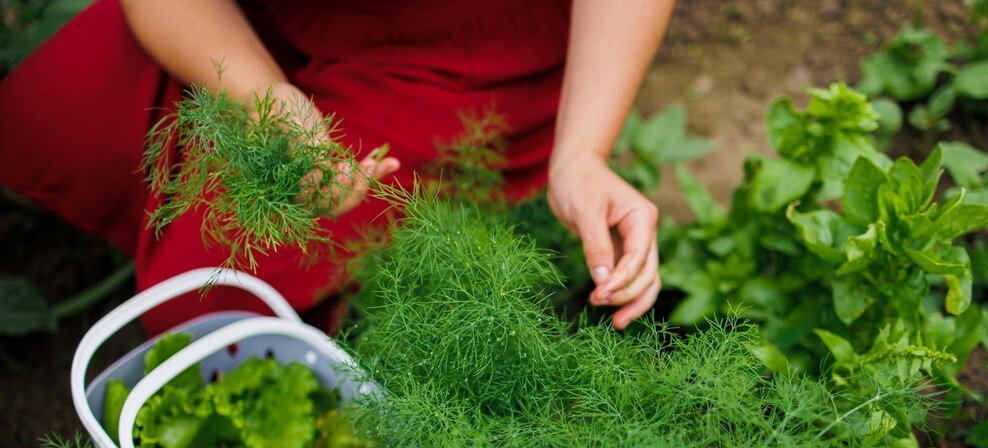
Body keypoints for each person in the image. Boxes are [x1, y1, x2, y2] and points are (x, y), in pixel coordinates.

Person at [0, 0, 674, 333]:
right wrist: (272, 104)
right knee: (45, 115)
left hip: (459, 48)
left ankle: (328, 306)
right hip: (256, 18)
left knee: (205, 295)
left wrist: (581, 152)